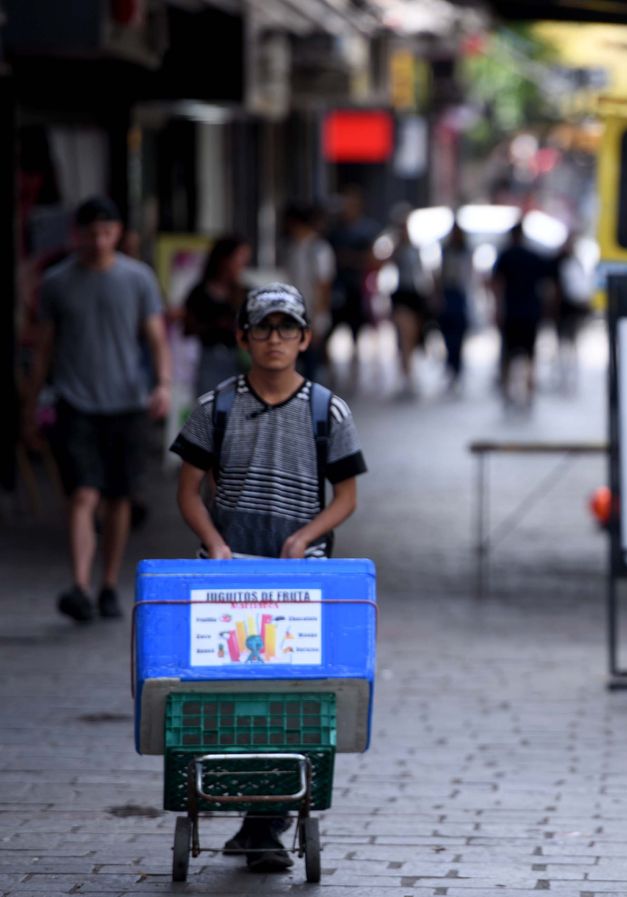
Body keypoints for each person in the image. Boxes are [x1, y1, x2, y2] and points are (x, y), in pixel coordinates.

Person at [169, 283, 367, 871]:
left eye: (287, 328)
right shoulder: (216, 407)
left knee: (293, 695)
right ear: (243, 338)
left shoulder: (327, 410)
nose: (275, 339)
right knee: (227, 694)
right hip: (226, 577)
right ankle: (246, 809)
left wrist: (307, 537)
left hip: (300, 580)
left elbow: (347, 496)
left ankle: (265, 821)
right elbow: (187, 492)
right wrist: (214, 544)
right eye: (263, 328)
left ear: (306, 338)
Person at [23, 196, 171, 622]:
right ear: (77, 234)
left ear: (119, 232)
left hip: (127, 401)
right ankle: (80, 584)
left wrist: (162, 384)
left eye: (107, 232)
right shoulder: (56, 283)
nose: (99, 241)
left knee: (120, 496)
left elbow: (156, 337)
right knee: (84, 492)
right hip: (75, 400)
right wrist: (31, 404)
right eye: (90, 233)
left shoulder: (138, 279)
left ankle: (108, 582)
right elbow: (44, 348)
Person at [490, 222, 549, 410]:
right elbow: (546, 285)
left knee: (508, 353)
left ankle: (508, 391)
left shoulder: (505, 256)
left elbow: (496, 284)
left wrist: (497, 309)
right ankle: (529, 391)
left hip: (512, 312)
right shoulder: (532, 256)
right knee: (530, 354)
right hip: (530, 312)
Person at [326, 187, 379, 391]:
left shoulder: (366, 229)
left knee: (357, 333)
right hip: (338, 288)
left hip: (357, 288)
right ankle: (333, 372)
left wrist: (353, 260)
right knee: (331, 330)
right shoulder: (335, 231)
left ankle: (354, 372)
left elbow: (372, 259)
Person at [183, 235, 250, 396]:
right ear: (224, 260)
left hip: (238, 359)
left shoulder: (244, 292)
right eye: (238, 259)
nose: (241, 265)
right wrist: (215, 325)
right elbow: (188, 327)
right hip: (210, 357)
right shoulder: (200, 293)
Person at [282, 203, 335, 383]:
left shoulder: (318, 249)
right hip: (292, 311)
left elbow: (324, 284)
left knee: (311, 360)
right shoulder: (292, 248)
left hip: (311, 312)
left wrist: (320, 316)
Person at [388, 205, 431, 397]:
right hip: (401, 294)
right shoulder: (396, 250)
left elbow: (423, 272)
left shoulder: (416, 249)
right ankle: (406, 375)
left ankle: (409, 373)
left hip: (415, 294)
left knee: (413, 337)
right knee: (404, 336)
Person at [547, 232, 591, 394]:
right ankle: (564, 378)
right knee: (564, 345)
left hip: (571, 310)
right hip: (565, 310)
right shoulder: (563, 262)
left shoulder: (573, 262)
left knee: (569, 345)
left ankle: (567, 378)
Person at [437, 222, 473, 393]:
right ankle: (451, 367)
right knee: (449, 337)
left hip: (460, 297)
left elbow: (469, 277)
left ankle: (457, 369)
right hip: (448, 296)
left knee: (458, 337)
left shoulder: (466, 252)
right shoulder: (446, 252)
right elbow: (440, 275)